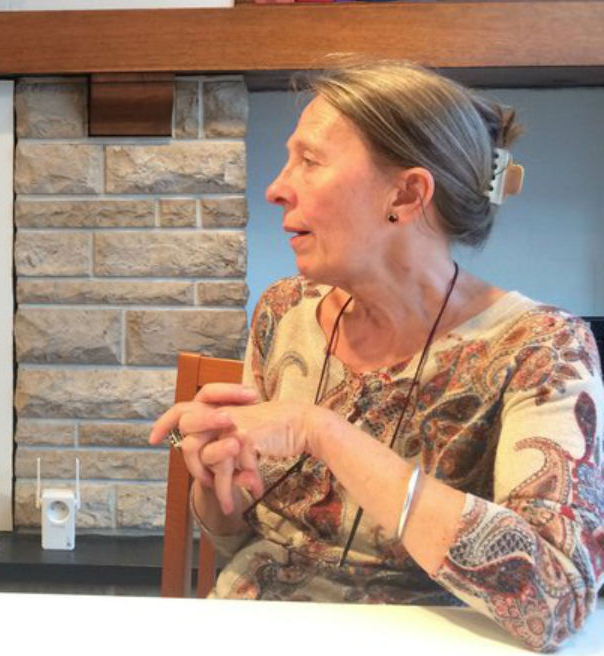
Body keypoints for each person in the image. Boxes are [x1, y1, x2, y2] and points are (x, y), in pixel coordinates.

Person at [150, 59, 603, 651]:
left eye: (309, 161)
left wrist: (322, 431)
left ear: (407, 193)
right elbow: (238, 540)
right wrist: (217, 480)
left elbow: (556, 601)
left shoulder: (541, 349)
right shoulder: (283, 311)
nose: (276, 186)